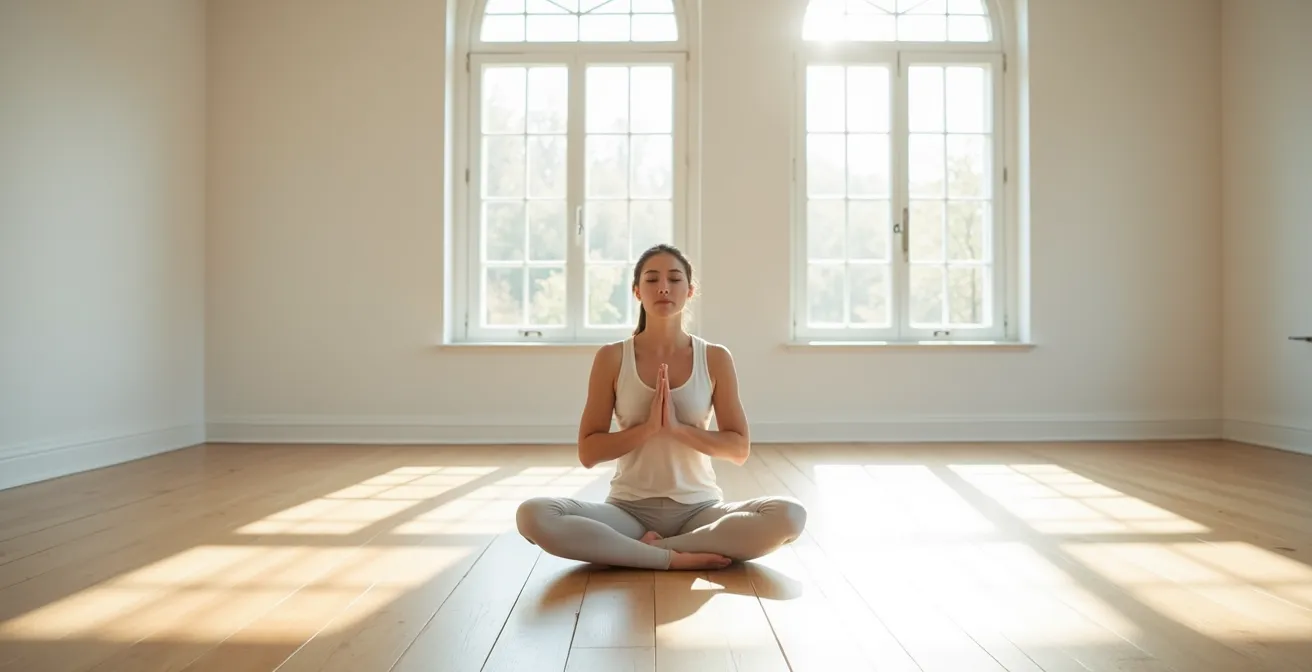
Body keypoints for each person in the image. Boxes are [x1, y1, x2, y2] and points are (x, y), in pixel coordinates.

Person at [515, 244, 807, 571]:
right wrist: (648, 429)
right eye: (652, 280)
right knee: (532, 514)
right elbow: (589, 451)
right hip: (627, 511)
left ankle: (650, 551)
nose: (664, 287)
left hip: (700, 510)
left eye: (674, 278)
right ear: (637, 291)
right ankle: (668, 558)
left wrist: (679, 430)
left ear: (690, 290)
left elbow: (738, 449)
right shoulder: (612, 357)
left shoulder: (714, 358)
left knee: (790, 515)